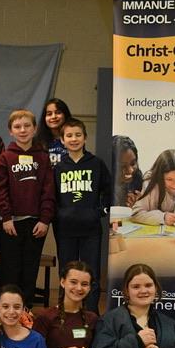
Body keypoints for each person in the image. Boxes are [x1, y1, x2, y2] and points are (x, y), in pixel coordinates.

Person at [0, 109, 55, 307]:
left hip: (36, 224)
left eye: (27, 126)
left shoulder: (43, 157)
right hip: (11, 223)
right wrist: (6, 217)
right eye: (17, 127)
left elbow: (48, 190)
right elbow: (0, 190)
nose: (23, 130)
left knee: (30, 269)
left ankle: (25, 310)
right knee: (10, 269)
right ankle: (6, 308)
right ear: (10, 131)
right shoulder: (5, 157)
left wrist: (45, 220)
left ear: (35, 129)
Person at [53, 118, 110, 312]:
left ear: (85, 138)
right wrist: (59, 215)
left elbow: (108, 190)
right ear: (62, 140)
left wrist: (100, 211)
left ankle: (91, 314)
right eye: (69, 135)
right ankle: (66, 313)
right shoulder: (58, 167)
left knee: (91, 273)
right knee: (66, 272)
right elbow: (52, 196)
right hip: (65, 229)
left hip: (91, 229)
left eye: (78, 135)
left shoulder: (96, 164)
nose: (74, 139)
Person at [130, 149, 175, 226]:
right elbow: (136, 214)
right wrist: (163, 217)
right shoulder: (150, 184)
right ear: (160, 176)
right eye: (169, 179)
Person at [36, 98, 72, 166]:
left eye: (58, 112)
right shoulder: (36, 142)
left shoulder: (74, 139)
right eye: (49, 114)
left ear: (65, 115)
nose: (53, 117)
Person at [112, 135, 143, 209]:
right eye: (123, 166)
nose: (131, 170)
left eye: (133, 163)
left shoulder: (139, 179)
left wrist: (140, 205)